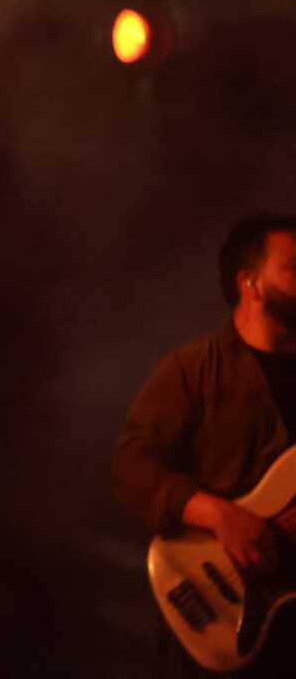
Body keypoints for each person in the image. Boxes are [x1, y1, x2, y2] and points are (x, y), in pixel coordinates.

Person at [112, 213, 296, 678]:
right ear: (250, 283)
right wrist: (220, 516)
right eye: (294, 268)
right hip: (219, 613)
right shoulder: (194, 369)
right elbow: (130, 465)